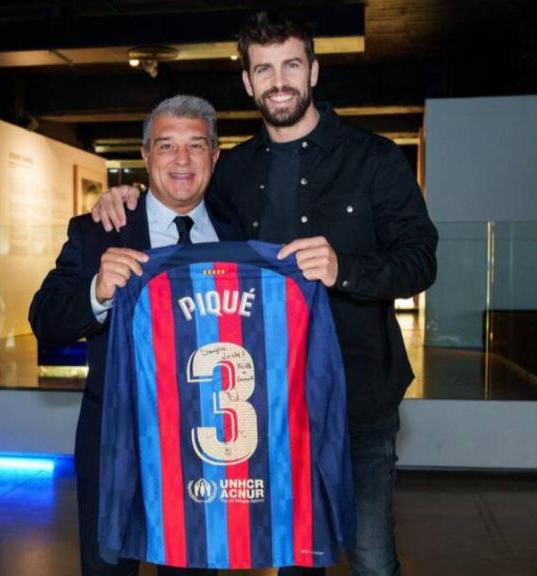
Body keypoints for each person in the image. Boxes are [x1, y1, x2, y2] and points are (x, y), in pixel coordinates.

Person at [92, 11, 438, 576]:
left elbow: (421, 261)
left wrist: (344, 268)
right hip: (270, 406)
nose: (279, 82)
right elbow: (179, 202)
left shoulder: (375, 158)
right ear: (248, 82)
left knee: (373, 558)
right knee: (292, 555)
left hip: (359, 398)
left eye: (291, 66)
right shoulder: (232, 172)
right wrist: (126, 194)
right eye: (264, 69)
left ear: (314, 72)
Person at [29, 95, 241, 576]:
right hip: (114, 444)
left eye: (195, 145)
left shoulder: (240, 233)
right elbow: (45, 319)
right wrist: (97, 291)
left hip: (208, 447)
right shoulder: (99, 230)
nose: (182, 160)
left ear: (214, 155)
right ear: (146, 155)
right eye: (166, 146)